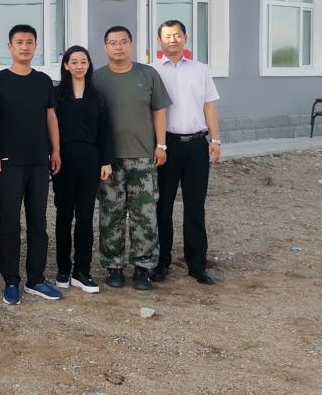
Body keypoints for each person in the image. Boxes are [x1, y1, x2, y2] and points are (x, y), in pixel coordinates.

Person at [0, 24, 62, 305]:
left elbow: (51, 117)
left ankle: (36, 278)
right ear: (9, 46)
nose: (25, 47)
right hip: (8, 162)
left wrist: (56, 151)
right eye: (19, 42)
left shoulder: (43, 81)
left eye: (30, 42)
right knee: (9, 223)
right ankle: (11, 281)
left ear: (36, 46)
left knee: (38, 222)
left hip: (39, 161)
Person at [93, 25, 171, 291]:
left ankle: (143, 267)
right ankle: (113, 265)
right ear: (105, 47)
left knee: (144, 214)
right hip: (110, 159)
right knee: (110, 213)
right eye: (113, 43)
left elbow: (159, 111)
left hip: (143, 157)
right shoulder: (97, 78)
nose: (119, 47)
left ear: (131, 44)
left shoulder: (147, 74)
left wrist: (161, 145)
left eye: (123, 42)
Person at [153, 20, 221, 285]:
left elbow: (209, 107)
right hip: (166, 146)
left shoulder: (200, 70)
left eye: (177, 35)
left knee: (195, 206)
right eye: (168, 36)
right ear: (159, 41)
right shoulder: (152, 71)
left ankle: (197, 265)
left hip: (196, 145)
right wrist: (158, 145)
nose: (173, 40)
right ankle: (161, 263)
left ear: (185, 38)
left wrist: (215, 140)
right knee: (163, 206)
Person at [52, 46, 113, 295]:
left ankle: (82, 271)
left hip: (90, 159)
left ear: (89, 65)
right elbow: (48, 127)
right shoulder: (56, 95)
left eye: (83, 61)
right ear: (66, 65)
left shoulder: (97, 97)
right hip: (63, 159)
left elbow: (105, 131)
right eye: (74, 62)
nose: (79, 66)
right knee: (64, 214)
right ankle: (63, 269)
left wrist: (106, 161)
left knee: (85, 216)